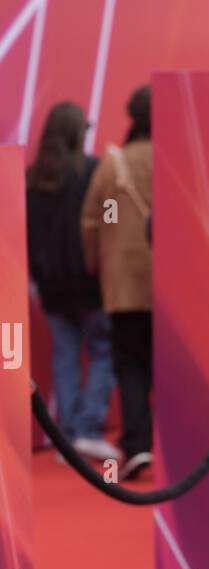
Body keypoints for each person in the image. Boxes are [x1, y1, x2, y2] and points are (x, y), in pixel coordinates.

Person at [25, 102, 119, 463]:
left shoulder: (33, 179)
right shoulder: (93, 171)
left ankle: (68, 438)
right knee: (102, 351)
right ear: (79, 133)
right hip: (90, 282)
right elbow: (109, 219)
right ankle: (87, 430)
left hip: (51, 287)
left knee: (65, 358)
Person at [80, 85, 153, 480]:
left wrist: (105, 257)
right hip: (175, 283)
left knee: (131, 366)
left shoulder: (116, 163)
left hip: (126, 285)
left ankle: (139, 445)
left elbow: (98, 220)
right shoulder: (178, 153)